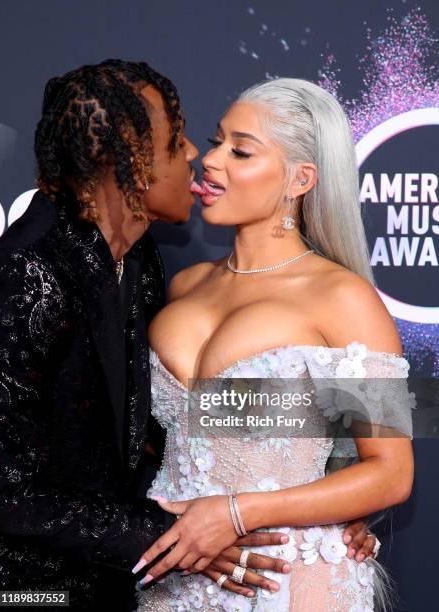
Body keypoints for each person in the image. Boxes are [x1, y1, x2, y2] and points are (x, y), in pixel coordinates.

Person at [0, 61, 319, 611]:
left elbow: (196, 416)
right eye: (180, 140)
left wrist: (335, 491)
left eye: (237, 150)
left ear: (301, 178)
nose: (198, 156)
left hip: (134, 580)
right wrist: (166, 532)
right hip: (27, 591)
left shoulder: (141, 260)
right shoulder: (26, 273)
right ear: (129, 162)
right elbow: (4, 490)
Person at [133, 78, 415, 611]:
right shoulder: (184, 285)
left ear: (300, 179)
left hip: (287, 578)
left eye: (240, 150)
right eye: (216, 142)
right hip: (176, 576)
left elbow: (391, 472)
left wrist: (237, 512)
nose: (210, 161)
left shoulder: (345, 298)